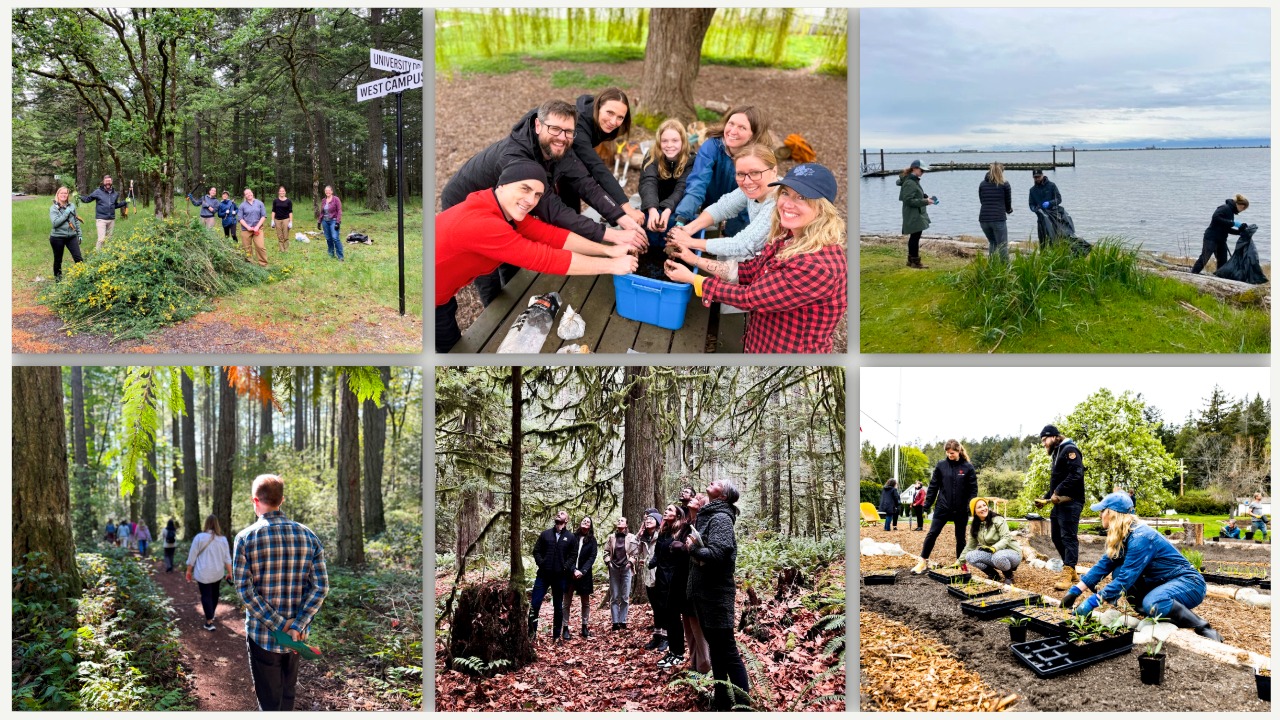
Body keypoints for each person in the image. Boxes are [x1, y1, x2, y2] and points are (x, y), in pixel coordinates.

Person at [440, 99, 647, 305]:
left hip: (507, 205)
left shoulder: (558, 145)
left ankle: (512, 296)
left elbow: (586, 184)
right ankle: (493, 310)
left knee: (512, 255)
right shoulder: (517, 156)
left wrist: (621, 218)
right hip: (465, 201)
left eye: (568, 132)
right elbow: (553, 214)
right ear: (538, 125)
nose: (561, 137)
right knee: (485, 264)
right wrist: (611, 239)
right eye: (554, 129)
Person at [434, 161, 639, 352]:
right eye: (525, 188)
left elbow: (551, 235)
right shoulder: (484, 223)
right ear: (502, 185)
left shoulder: (499, 207)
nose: (531, 200)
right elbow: (544, 258)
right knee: (449, 351)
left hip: (443, 291)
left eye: (538, 195)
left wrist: (608, 250)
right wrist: (612, 265)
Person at [664, 163, 847, 353]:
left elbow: (750, 297)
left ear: (822, 209)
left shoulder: (816, 266)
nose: (787, 204)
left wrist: (692, 279)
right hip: (761, 339)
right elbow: (751, 270)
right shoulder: (790, 236)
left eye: (801, 197)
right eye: (785, 193)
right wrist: (694, 260)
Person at [1062, 492, 1223, 642]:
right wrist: (1074, 592)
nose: (1099, 515)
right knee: (1117, 571)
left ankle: (1203, 627)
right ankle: (1157, 613)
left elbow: (1127, 577)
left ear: (1111, 513)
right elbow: (1103, 565)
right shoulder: (1124, 534)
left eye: (1102, 511)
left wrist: (1092, 603)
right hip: (1163, 581)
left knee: (1152, 601)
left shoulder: (1141, 537)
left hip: (1189, 583)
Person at [233, 474, 331, 711]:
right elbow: (321, 587)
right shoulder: (308, 536)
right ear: (282, 500)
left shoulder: (245, 538)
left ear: (255, 501)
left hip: (262, 635)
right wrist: (296, 625)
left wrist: (279, 624)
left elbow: (245, 590)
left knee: (269, 702)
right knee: (288, 696)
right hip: (297, 638)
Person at [688, 479, 750, 710]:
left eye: (720, 483)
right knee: (716, 648)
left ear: (723, 496)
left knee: (727, 649)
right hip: (705, 594)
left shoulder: (721, 518)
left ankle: (744, 705)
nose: (714, 481)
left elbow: (718, 553)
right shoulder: (709, 515)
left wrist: (693, 548)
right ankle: (722, 700)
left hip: (717, 595)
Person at [666, 143, 780, 261]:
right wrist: (688, 229)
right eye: (740, 174)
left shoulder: (779, 203)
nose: (747, 181)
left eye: (755, 173)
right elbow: (722, 207)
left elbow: (742, 245)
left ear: (774, 171)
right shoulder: (755, 188)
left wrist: (690, 242)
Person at [674, 106, 770, 236]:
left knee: (737, 234)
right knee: (696, 220)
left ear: (754, 134)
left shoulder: (759, 158)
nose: (733, 131)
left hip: (742, 206)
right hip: (710, 196)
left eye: (742, 127)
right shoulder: (711, 146)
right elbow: (698, 182)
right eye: (731, 123)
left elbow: (754, 198)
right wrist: (681, 218)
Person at [562, 88, 646, 228]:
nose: (613, 121)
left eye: (620, 117)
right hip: (538, 165)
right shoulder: (578, 126)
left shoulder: (594, 119)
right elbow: (597, 168)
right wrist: (626, 207)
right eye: (610, 113)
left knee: (572, 208)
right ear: (598, 106)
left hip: (564, 164)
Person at [911, 440, 978, 574]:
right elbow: (933, 486)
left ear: (958, 451)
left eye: (952, 453)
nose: (949, 455)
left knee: (960, 538)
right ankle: (923, 561)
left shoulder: (967, 467)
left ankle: (961, 564)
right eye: (947, 453)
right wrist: (927, 504)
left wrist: (970, 506)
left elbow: (973, 489)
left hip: (961, 509)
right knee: (932, 533)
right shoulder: (941, 466)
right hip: (942, 507)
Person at [1032, 424, 1085, 590]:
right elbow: (1057, 482)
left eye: (1045, 439)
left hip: (1071, 501)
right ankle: (1072, 570)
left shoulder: (1070, 449)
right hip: (1059, 502)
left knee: (1069, 537)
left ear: (1054, 436)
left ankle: (1068, 571)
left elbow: (1077, 474)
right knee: (1056, 536)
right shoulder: (1057, 453)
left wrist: (1058, 491)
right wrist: (1046, 498)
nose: (1043, 443)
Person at [652, 504, 691, 670]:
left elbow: (684, 554)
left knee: (675, 616)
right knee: (668, 615)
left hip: (676, 579)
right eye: (665, 510)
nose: (666, 512)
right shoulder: (664, 532)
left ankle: (678, 653)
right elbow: (658, 555)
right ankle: (673, 651)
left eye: (670, 510)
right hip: (662, 577)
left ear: (677, 515)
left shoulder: (681, 531)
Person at [639, 118, 693, 238]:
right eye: (664, 141)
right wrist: (652, 209)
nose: (669, 145)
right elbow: (648, 183)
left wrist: (668, 209)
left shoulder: (691, 160)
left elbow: (682, 187)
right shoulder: (651, 157)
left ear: (683, 142)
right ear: (659, 142)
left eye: (675, 141)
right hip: (654, 204)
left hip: (679, 207)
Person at [528, 509, 574, 640]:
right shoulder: (545, 534)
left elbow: (572, 556)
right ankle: (531, 634)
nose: (559, 514)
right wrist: (542, 563)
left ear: (566, 520)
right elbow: (536, 551)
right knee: (535, 605)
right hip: (543, 575)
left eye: (562, 513)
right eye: (558, 513)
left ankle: (556, 636)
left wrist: (564, 568)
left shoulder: (570, 538)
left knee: (558, 607)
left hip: (560, 577)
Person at [681, 493, 713, 675]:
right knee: (688, 624)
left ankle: (704, 665)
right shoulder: (688, 524)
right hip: (685, 580)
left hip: (697, 579)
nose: (693, 498)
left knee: (697, 623)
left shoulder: (702, 523)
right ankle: (694, 662)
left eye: (697, 498)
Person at [185, 514, 233, 631]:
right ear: (217, 525)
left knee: (206, 595)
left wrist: (189, 570)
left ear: (206, 524)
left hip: (202, 573)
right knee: (215, 594)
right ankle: (211, 614)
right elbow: (227, 558)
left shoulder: (199, 537)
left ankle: (209, 621)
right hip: (217, 572)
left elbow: (192, 556)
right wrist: (230, 572)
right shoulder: (223, 539)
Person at [962, 498, 1021, 585]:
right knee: (970, 556)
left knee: (997, 556)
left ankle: (1009, 576)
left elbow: (1006, 537)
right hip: (994, 554)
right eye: (979, 507)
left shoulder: (997, 519)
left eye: (984, 505)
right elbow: (970, 546)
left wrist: (994, 548)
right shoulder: (975, 526)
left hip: (1012, 554)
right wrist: (959, 562)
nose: (983, 508)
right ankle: (994, 575)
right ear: (974, 511)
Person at [1191, 195, 1248, 275]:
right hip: (1211, 238)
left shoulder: (1231, 212)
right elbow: (1215, 218)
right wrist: (1233, 223)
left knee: (1223, 261)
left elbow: (1227, 229)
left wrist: (1240, 232)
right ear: (1241, 205)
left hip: (1221, 240)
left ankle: (1219, 278)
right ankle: (1193, 274)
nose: (1242, 210)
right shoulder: (1225, 208)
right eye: (1243, 208)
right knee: (1205, 257)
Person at [563, 516, 598, 640]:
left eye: (588, 521)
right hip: (570, 573)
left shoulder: (592, 540)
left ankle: (584, 627)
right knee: (566, 602)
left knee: (585, 602)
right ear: (580, 523)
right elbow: (567, 554)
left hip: (585, 574)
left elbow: (592, 557)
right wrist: (573, 569)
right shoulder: (572, 537)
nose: (586, 522)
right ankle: (565, 628)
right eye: (584, 521)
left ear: (590, 526)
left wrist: (582, 571)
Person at [637, 509, 666, 651]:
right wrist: (639, 532)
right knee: (655, 607)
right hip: (648, 576)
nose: (647, 521)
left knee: (663, 607)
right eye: (646, 519)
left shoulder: (661, 535)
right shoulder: (643, 538)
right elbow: (632, 550)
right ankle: (657, 636)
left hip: (661, 575)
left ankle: (666, 637)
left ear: (658, 522)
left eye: (651, 519)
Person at [604, 516, 640, 631]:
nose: (619, 521)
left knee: (625, 596)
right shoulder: (611, 537)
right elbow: (606, 552)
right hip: (613, 568)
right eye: (618, 520)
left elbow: (635, 553)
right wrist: (608, 562)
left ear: (626, 525)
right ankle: (615, 622)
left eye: (622, 520)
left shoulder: (631, 537)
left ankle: (623, 621)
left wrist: (630, 562)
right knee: (614, 596)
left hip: (626, 568)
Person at [898, 160, 933, 269]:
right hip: (913, 214)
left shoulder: (912, 180)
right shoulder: (910, 182)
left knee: (915, 236)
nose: (923, 172)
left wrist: (924, 196)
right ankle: (915, 262)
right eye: (921, 170)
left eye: (924, 171)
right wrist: (925, 201)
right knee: (915, 237)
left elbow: (913, 195)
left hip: (915, 213)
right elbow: (908, 200)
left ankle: (911, 260)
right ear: (914, 168)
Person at [79, 174, 129, 249]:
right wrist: (78, 197)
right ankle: (97, 256)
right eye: (106, 181)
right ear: (103, 182)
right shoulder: (97, 192)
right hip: (101, 219)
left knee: (109, 239)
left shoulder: (115, 193)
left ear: (111, 182)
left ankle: (106, 256)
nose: (108, 182)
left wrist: (125, 202)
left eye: (109, 181)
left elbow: (114, 205)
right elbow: (87, 199)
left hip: (111, 219)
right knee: (101, 239)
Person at [978, 162, 1013, 262]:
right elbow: (1008, 202)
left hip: (984, 219)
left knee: (993, 242)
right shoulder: (1005, 184)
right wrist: (1009, 210)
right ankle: (1005, 269)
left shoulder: (982, 184)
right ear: (1001, 172)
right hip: (998, 218)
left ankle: (992, 266)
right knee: (1003, 245)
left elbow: (982, 200)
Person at [48, 187, 85, 280]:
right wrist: (65, 214)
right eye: (62, 193)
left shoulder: (71, 206)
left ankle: (82, 278)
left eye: (66, 193)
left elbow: (76, 221)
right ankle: (58, 281)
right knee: (58, 260)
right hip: (57, 237)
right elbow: (55, 223)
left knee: (78, 258)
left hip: (71, 236)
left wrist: (79, 234)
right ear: (58, 194)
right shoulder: (53, 208)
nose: (64, 195)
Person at [1028, 169, 1063, 247]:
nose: (1037, 179)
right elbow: (1031, 204)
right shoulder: (1032, 190)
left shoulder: (1052, 186)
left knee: (1054, 240)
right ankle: (1043, 256)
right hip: (1041, 218)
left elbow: (1059, 199)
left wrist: (1050, 203)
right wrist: (1035, 209)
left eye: (1038, 177)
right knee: (1042, 241)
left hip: (1053, 217)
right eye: (1035, 177)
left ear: (1042, 175)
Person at [238, 188, 268, 267]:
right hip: (246, 229)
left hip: (258, 229)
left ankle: (263, 264)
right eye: (246, 194)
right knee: (247, 248)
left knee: (260, 246)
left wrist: (257, 226)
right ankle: (249, 264)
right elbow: (240, 219)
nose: (249, 194)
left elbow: (264, 216)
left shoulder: (259, 203)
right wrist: (248, 227)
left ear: (252, 193)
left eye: (250, 192)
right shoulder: (242, 205)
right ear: (245, 196)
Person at [320, 186, 343, 261]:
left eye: (329, 190)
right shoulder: (323, 200)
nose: (327, 192)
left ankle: (340, 256)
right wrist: (319, 221)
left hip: (333, 220)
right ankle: (331, 254)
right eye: (326, 191)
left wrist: (338, 222)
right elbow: (322, 212)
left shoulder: (336, 199)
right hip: (325, 221)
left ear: (332, 191)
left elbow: (339, 211)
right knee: (328, 238)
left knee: (335, 238)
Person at [272, 186, 294, 254]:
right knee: (280, 235)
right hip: (277, 220)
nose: (282, 192)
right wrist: (272, 220)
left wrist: (291, 221)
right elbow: (273, 211)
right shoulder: (275, 201)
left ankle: (286, 249)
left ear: (285, 192)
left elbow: (290, 212)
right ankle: (282, 250)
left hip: (286, 219)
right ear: (279, 192)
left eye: (283, 191)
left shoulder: (288, 201)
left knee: (286, 235)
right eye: (280, 191)